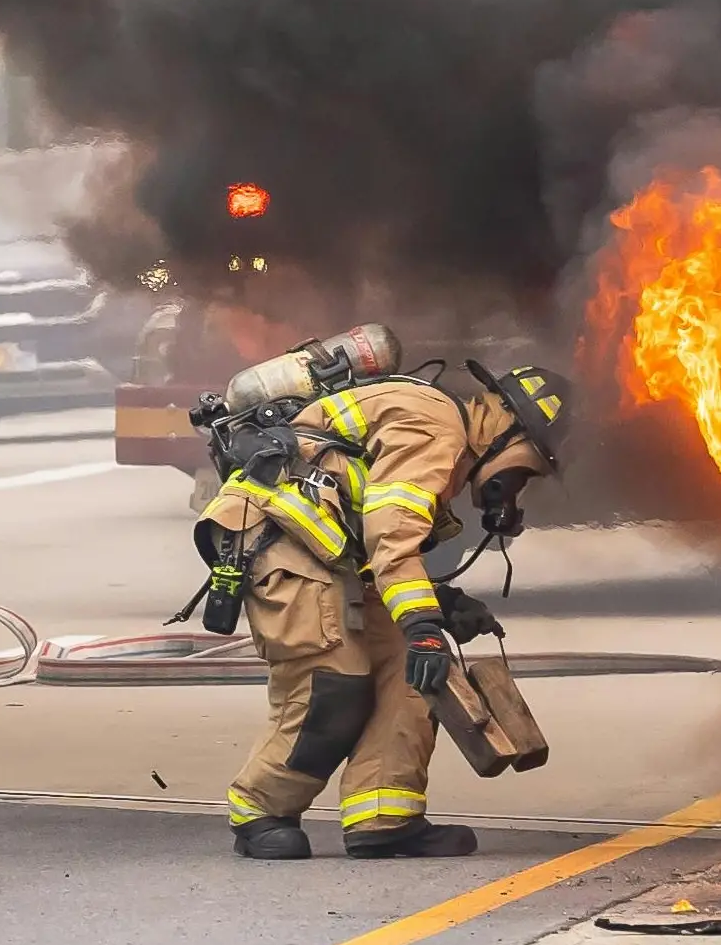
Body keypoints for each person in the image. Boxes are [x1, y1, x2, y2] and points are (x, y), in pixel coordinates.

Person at [197, 361, 572, 860]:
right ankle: (259, 809)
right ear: (506, 424)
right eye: (528, 465)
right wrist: (423, 623)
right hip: (277, 536)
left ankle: (384, 816)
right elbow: (390, 530)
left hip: (327, 547)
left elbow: (378, 538)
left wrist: (436, 607)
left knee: (414, 670)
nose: (520, 484)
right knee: (334, 677)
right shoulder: (440, 427)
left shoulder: (442, 435)